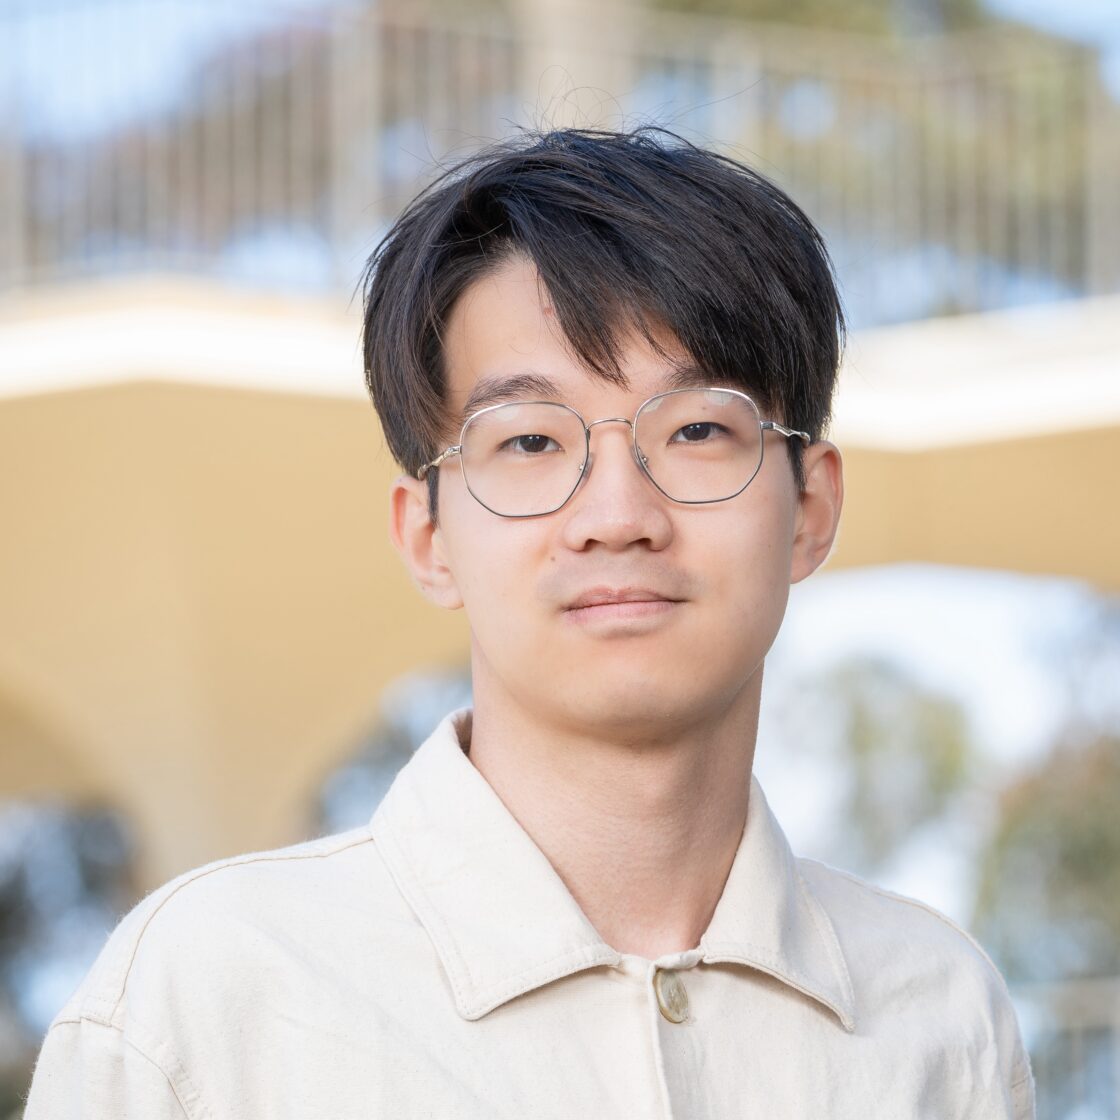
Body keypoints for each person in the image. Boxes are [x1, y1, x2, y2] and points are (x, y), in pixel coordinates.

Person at [25, 127, 1035, 1118]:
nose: (616, 517)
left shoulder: (937, 1014)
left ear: (809, 508)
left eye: (694, 430)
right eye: (529, 441)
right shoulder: (207, 1003)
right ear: (425, 532)